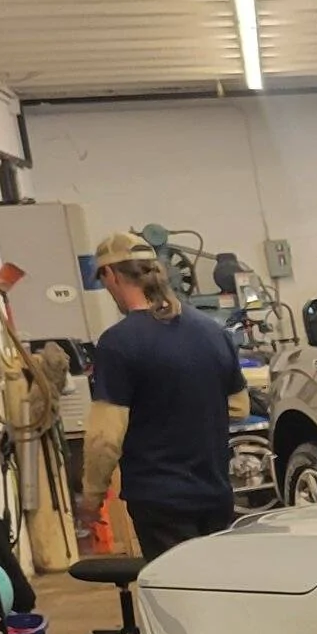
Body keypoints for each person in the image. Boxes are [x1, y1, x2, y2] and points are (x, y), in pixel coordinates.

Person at [83, 232, 244, 556]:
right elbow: (239, 406)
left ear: (111, 274)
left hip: (161, 504)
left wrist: (91, 499)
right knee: (219, 581)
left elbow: (105, 439)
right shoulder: (211, 330)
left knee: (175, 585)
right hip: (216, 494)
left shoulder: (118, 343)